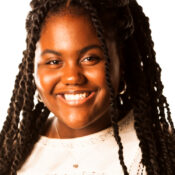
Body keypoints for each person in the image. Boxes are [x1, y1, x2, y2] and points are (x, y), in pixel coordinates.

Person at [0, 0, 174, 174]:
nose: (72, 78)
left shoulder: (161, 151)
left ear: (122, 62)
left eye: (90, 59)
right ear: (32, 68)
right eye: (53, 61)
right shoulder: (10, 155)